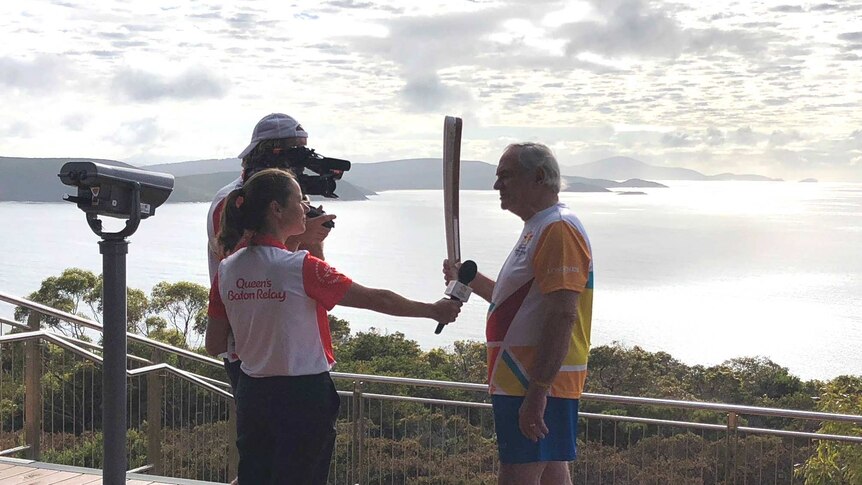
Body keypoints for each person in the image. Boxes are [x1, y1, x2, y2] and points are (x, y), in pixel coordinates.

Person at [206, 168, 462, 485]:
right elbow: (378, 299)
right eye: (299, 200)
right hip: (303, 394)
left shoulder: (227, 269)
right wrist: (433, 311)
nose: (305, 207)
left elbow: (215, 343)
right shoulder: (299, 266)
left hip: (252, 393)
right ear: (276, 209)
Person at [443, 142, 593, 485]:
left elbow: (562, 315)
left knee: (518, 475)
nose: (497, 186)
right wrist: (465, 277)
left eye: (505, 176)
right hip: (525, 380)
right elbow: (508, 301)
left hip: (535, 380)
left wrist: (538, 391)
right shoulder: (538, 228)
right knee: (552, 472)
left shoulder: (558, 228)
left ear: (538, 177)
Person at [206, 113, 336, 392]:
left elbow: (310, 267)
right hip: (249, 348)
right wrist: (300, 235)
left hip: (294, 348)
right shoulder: (233, 201)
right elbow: (242, 263)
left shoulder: (291, 199)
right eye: (294, 151)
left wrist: (310, 237)